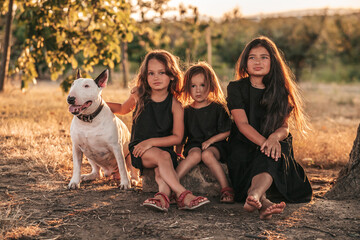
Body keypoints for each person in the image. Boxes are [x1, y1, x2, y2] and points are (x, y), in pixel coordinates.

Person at [107, 49, 210, 212]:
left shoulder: (176, 105)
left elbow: (178, 137)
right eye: (151, 73)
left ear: (171, 76)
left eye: (162, 72)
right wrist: (95, 103)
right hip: (140, 150)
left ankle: (162, 197)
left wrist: (152, 142)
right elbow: (121, 108)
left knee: (161, 172)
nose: (156, 77)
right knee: (162, 157)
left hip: (164, 151)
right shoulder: (139, 96)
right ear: (145, 77)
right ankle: (183, 194)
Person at [226, 36, 312, 220]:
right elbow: (242, 124)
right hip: (245, 141)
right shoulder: (236, 88)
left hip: (274, 141)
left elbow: (284, 127)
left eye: (264, 57)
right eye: (252, 57)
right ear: (245, 63)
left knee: (274, 152)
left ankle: (256, 196)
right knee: (266, 154)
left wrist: (273, 139)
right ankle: (262, 201)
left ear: (273, 62)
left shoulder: (280, 90)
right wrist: (266, 143)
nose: (258, 62)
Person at [176, 62, 234, 203]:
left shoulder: (217, 107)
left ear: (211, 85)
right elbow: (182, 137)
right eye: (193, 86)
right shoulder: (187, 111)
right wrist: (178, 153)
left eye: (202, 85)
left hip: (216, 145)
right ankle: (173, 184)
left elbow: (227, 131)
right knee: (195, 155)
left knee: (207, 154)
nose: (198, 90)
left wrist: (210, 141)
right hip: (194, 144)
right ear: (188, 88)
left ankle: (226, 188)